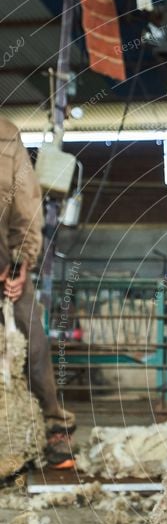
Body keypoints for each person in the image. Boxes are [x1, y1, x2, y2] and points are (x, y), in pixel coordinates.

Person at [0, 116, 76, 467]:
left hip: (2, 258)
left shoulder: (5, 135)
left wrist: (20, 262)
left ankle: (53, 427)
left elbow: (25, 201)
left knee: (31, 337)